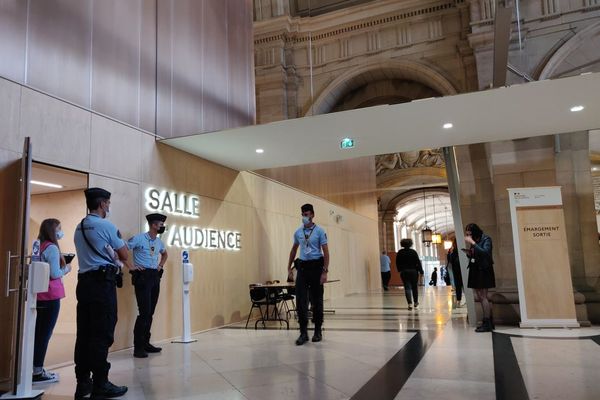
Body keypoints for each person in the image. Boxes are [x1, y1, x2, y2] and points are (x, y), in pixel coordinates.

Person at [73, 188, 136, 399]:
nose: (109, 207)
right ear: (102, 204)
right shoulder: (106, 225)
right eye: (108, 204)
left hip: (84, 284)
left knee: (84, 333)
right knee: (102, 332)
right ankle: (101, 382)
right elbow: (124, 253)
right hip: (102, 285)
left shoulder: (79, 227)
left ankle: (83, 382)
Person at [32, 219, 73, 384]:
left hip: (38, 294)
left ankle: (34, 367)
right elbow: (55, 273)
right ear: (52, 230)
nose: (61, 231)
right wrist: (67, 269)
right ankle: (37, 371)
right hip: (50, 296)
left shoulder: (38, 245)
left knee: (37, 333)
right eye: (59, 228)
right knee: (44, 334)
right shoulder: (53, 248)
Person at [287, 204, 329, 345]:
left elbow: (326, 253)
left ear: (312, 215)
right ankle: (303, 333)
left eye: (307, 214)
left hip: (316, 268)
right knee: (301, 301)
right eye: (303, 214)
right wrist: (289, 267)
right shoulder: (298, 232)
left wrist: (325, 271)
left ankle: (317, 330)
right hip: (303, 269)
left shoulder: (320, 232)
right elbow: (294, 250)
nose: (305, 217)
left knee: (317, 301)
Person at [128, 213, 169, 358]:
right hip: (142, 276)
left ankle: (146, 343)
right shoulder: (139, 238)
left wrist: (160, 266)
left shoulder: (158, 242)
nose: (162, 227)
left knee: (150, 312)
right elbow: (122, 250)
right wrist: (131, 266)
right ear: (153, 225)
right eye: (161, 224)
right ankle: (138, 347)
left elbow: (165, 254)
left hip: (154, 276)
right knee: (144, 312)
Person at [464, 223, 496, 332]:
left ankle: (487, 322)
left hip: (484, 270)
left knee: (483, 296)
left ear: (475, 232)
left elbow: (485, 253)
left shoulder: (486, 239)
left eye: (470, 234)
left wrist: (473, 243)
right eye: (467, 234)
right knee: (480, 296)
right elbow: (476, 253)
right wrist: (469, 253)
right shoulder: (475, 241)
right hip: (476, 269)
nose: (468, 236)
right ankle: (489, 321)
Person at [396, 239, 423, 310]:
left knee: (407, 287)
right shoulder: (413, 252)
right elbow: (418, 262)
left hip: (404, 271)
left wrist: (399, 270)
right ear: (411, 244)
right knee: (414, 287)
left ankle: (409, 304)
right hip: (414, 271)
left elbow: (397, 262)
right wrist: (421, 271)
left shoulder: (400, 252)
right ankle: (416, 303)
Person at [448, 239, 465, 306]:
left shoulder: (453, 253)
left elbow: (451, 262)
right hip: (463, 270)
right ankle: (467, 300)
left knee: (458, 286)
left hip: (456, 271)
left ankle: (458, 301)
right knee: (464, 286)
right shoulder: (462, 251)